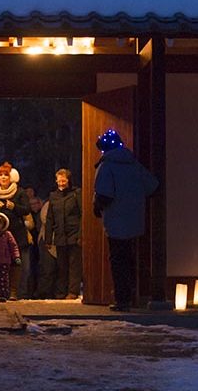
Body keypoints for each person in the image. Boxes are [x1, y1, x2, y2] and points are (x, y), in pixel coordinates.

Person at [93, 129, 158, 311]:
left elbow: (104, 195)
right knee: (131, 260)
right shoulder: (133, 164)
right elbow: (153, 186)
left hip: (115, 221)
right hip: (135, 221)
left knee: (118, 261)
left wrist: (97, 208)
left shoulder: (107, 166)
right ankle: (134, 296)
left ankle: (122, 300)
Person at [0, 162, 32, 300]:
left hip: (17, 234)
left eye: (6, 175)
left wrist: (14, 206)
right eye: (1, 175)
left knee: (17, 264)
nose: (3, 177)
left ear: (12, 177)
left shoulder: (19, 192)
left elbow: (27, 209)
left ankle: (16, 291)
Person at [44, 168, 83, 299]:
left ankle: (73, 291)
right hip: (60, 235)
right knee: (61, 266)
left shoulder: (76, 194)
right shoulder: (53, 196)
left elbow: (82, 214)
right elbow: (50, 218)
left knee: (74, 265)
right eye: (59, 180)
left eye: (63, 180)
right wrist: (48, 239)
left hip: (73, 233)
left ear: (69, 180)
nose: (61, 183)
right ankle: (61, 291)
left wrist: (80, 234)